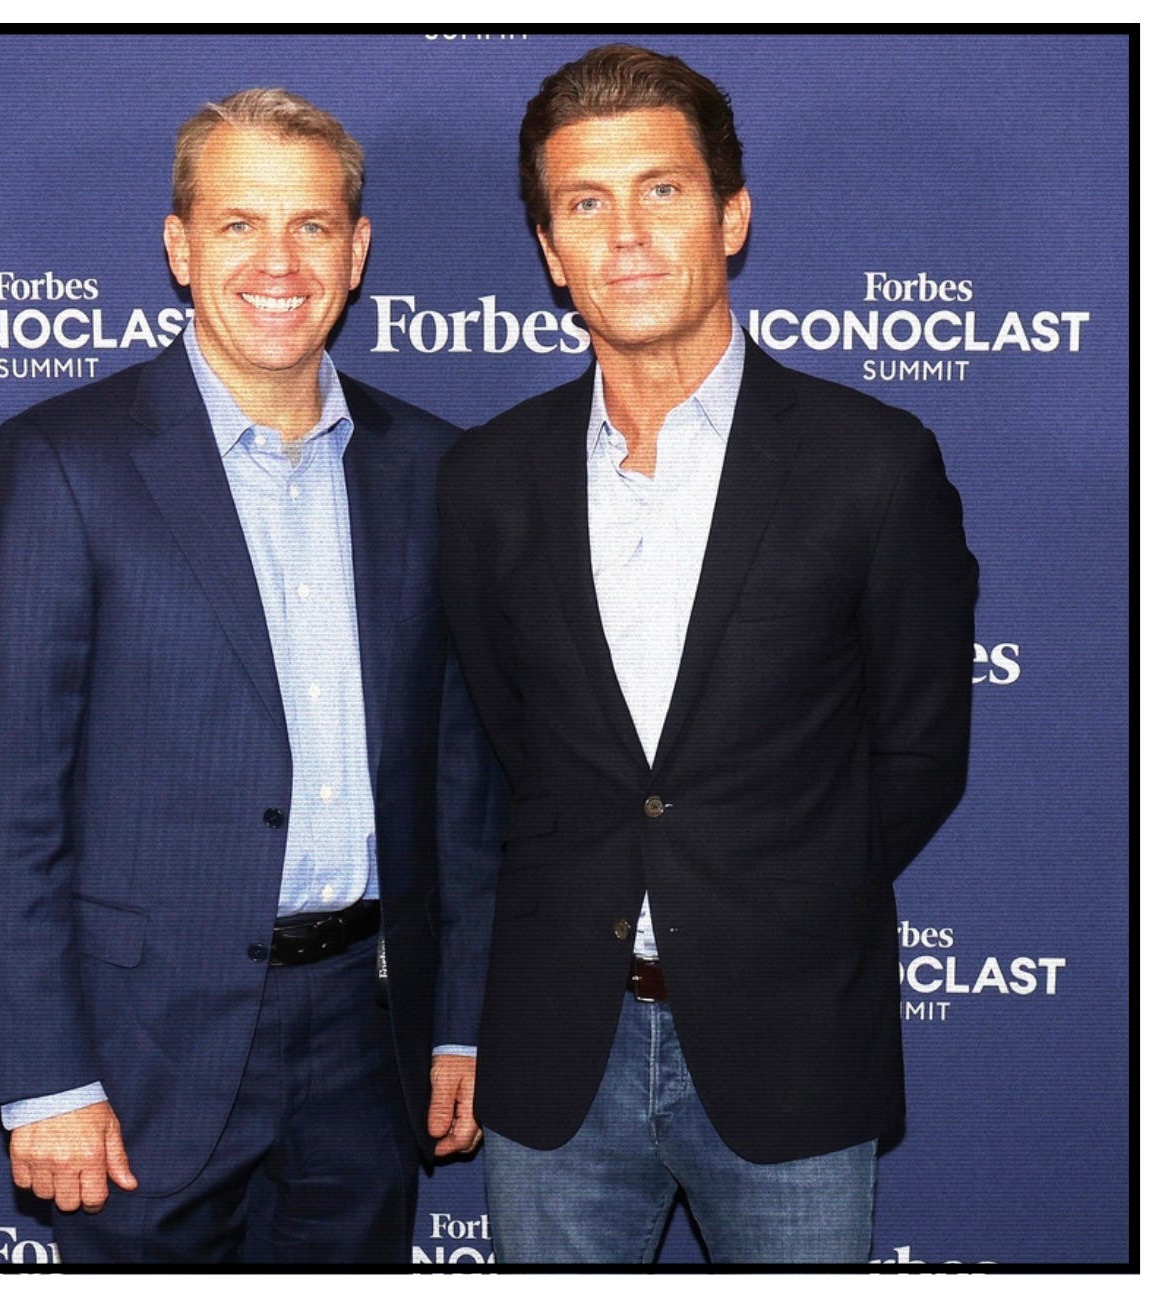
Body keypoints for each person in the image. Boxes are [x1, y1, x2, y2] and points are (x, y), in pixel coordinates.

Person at [437, 44, 978, 1264]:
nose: (626, 235)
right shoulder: (485, 479)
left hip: (793, 1044)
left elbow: (920, 751)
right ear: (551, 251)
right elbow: (501, 747)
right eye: (586, 203)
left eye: (663, 190)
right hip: (554, 1055)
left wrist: (770, 900)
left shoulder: (873, 462)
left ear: (731, 217)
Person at [0, 87, 499, 1265]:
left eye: (311, 225)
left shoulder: (436, 469)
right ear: (180, 245)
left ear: (357, 250)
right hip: (140, 1050)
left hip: (369, 1042)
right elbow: (4, 801)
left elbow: (461, 784)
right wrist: (46, 1076)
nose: (277, 261)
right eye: (239, 222)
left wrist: (459, 1021)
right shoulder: (63, 461)